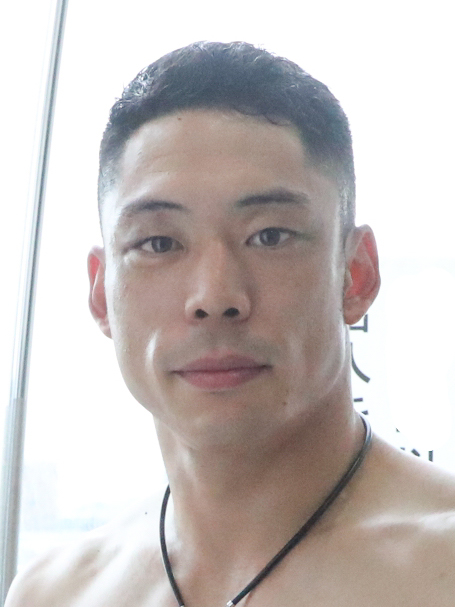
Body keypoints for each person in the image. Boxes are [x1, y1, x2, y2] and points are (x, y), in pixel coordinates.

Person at [5, 41, 455, 607]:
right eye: (159, 243)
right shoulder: (55, 594)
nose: (214, 297)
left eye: (270, 236)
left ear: (356, 275)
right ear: (101, 294)